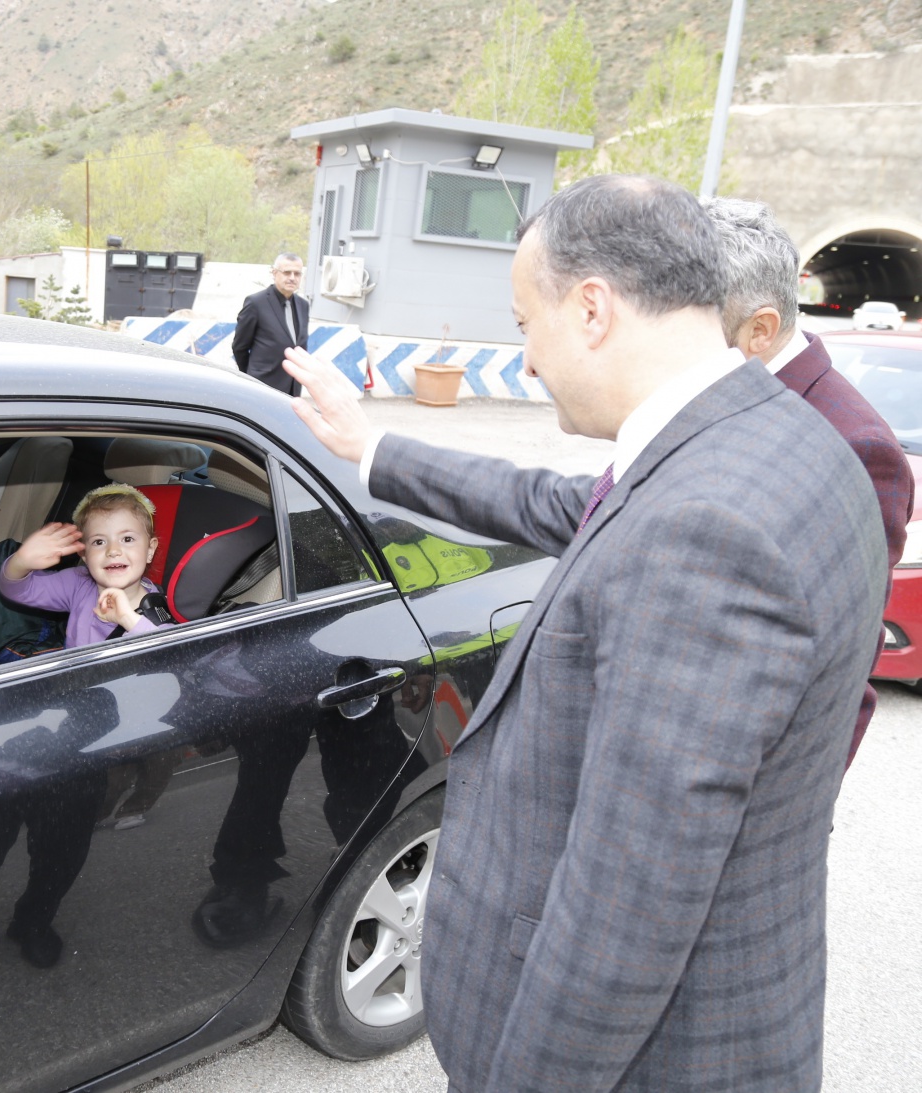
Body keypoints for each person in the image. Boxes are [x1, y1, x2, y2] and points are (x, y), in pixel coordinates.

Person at [282, 174, 888, 1092]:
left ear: (593, 308)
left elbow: (631, 903)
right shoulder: (783, 444)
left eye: (527, 324)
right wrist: (372, 449)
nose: (527, 362)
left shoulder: (707, 530)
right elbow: (557, 502)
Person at [704, 196, 914, 767]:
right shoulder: (721, 391)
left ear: (760, 329)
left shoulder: (856, 448)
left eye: (685, 323)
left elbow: (839, 668)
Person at [0, 484, 166, 648]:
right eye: (99, 542)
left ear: (150, 550)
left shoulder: (157, 610)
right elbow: (19, 590)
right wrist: (21, 562)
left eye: (127, 539)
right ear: (84, 554)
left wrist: (128, 619)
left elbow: (170, 654)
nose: (113, 550)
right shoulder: (78, 583)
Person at [231, 253, 309, 396]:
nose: (292, 278)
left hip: (293, 389)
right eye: (287, 272)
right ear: (274, 273)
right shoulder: (256, 303)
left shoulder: (303, 306)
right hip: (262, 387)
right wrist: (250, 377)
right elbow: (239, 347)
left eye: (297, 273)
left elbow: (299, 346)